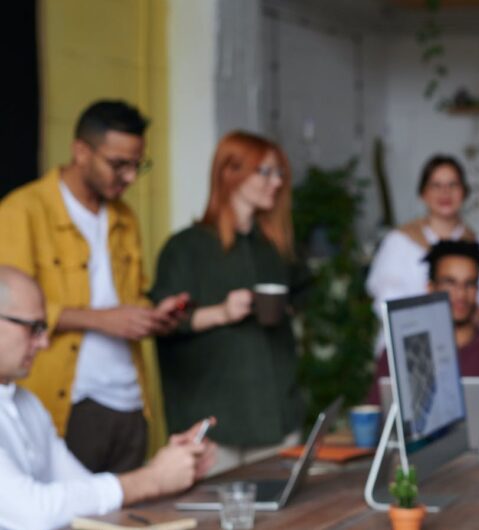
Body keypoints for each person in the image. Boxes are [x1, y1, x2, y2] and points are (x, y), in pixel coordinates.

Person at [0, 100, 190, 473]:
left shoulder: (125, 218)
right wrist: (102, 320)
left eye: (138, 165)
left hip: (131, 402)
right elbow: (10, 311)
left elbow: (128, 297)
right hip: (68, 402)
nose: (131, 177)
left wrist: (152, 317)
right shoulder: (22, 211)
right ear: (81, 152)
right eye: (119, 164)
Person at [0, 266, 215, 530]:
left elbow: (80, 488)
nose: (44, 342)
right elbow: (32, 514)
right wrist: (153, 479)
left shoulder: (27, 404)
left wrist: (170, 468)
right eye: (33, 328)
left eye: (43, 328)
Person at [150, 131, 306, 474]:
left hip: (278, 416)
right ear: (229, 173)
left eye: (279, 173)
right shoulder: (185, 247)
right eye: (264, 172)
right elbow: (162, 322)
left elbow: (302, 294)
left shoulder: (275, 247)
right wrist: (221, 312)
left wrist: (285, 308)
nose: (276, 182)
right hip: (216, 425)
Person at [369, 241, 479, 438]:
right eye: (450, 283)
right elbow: (375, 427)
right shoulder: (397, 354)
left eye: (469, 284)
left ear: (478, 290)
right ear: (430, 288)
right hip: (416, 465)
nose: (460, 294)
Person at [366, 155, 479, 349]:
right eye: (436, 185)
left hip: (462, 349)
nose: (445, 192)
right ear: (423, 194)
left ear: (464, 192)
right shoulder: (399, 242)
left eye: (452, 185)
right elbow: (387, 302)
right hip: (406, 345)